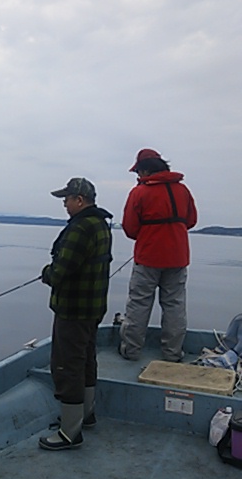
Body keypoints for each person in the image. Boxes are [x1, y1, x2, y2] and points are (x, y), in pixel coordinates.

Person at [39, 177, 112, 451]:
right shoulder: (101, 224)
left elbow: (60, 272)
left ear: (79, 200)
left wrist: (46, 273)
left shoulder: (80, 228)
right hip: (93, 309)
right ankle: (86, 415)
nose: (64, 204)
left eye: (67, 199)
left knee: (67, 366)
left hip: (73, 311)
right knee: (86, 361)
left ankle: (70, 432)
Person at [119, 149, 197, 362]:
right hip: (178, 258)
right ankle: (173, 353)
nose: (138, 176)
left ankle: (131, 351)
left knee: (139, 304)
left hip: (148, 258)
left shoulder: (139, 192)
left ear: (145, 170)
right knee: (174, 305)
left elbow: (130, 228)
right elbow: (191, 221)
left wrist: (149, 233)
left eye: (138, 172)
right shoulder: (183, 190)